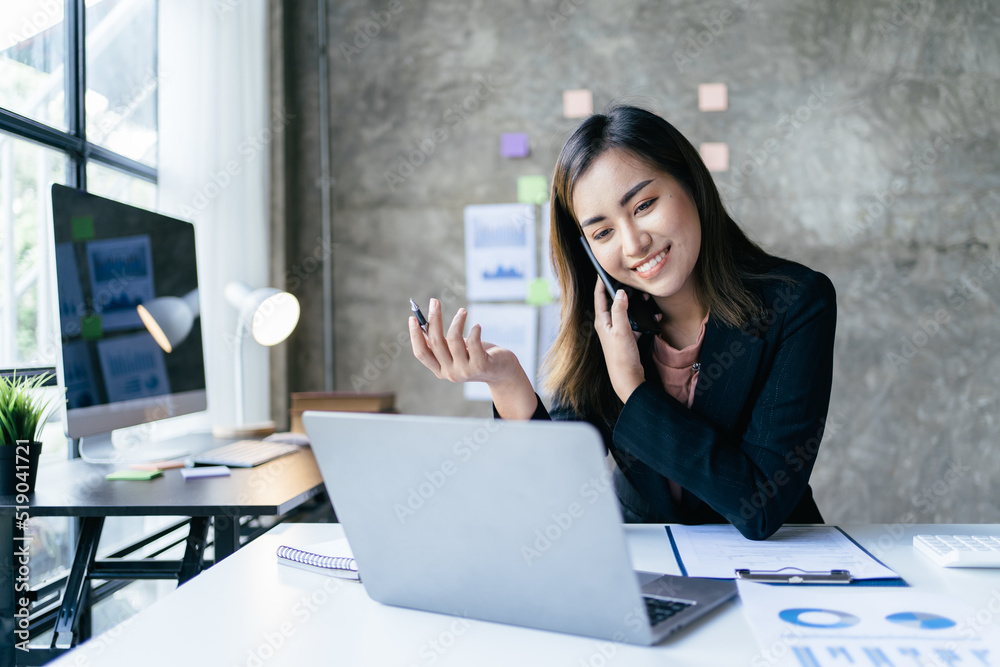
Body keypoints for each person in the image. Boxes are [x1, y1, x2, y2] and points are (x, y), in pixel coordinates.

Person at [409, 105, 836, 541]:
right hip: (646, 564)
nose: (633, 243)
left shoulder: (796, 302)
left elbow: (760, 505)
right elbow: (555, 492)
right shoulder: (608, 319)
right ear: (589, 251)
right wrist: (506, 382)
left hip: (778, 571)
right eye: (602, 232)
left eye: (644, 205)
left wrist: (634, 389)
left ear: (690, 182)